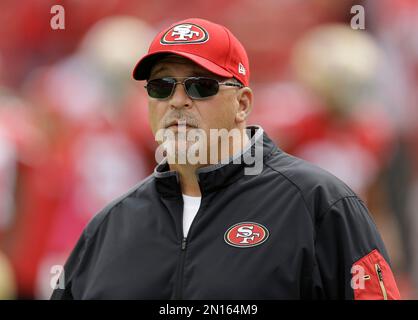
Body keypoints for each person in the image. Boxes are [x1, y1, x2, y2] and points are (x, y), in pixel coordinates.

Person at [51, 18, 400, 300]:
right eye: (161, 86)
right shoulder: (108, 227)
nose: (177, 100)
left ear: (243, 103)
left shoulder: (321, 205)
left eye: (201, 86)